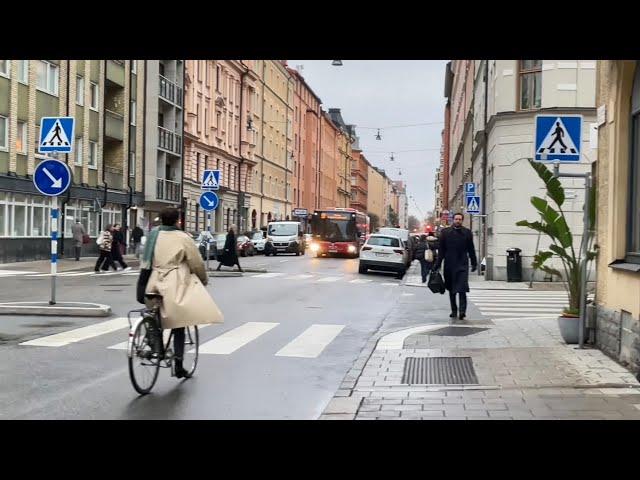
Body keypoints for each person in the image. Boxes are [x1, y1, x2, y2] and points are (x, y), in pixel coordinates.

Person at [143, 207, 223, 378]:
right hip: (174, 283)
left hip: (153, 282)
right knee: (179, 322)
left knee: (153, 314)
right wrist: (203, 279)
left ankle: (154, 345)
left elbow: (145, 260)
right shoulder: (182, 237)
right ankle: (179, 365)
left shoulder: (153, 235)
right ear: (178, 221)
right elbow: (196, 262)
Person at [433, 212, 477, 320]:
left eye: (460, 219)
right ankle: (454, 310)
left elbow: (471, 249)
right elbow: (441, 251)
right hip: (449, 265)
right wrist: (437, 265)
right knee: (452, 289)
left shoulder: (467, 233)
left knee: (462, 288)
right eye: (456, 219)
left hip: (462, 264)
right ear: (453, 220)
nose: (458, 221)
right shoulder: (445, 232)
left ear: (462, 220)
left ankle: (462, 311)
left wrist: (474, 262)